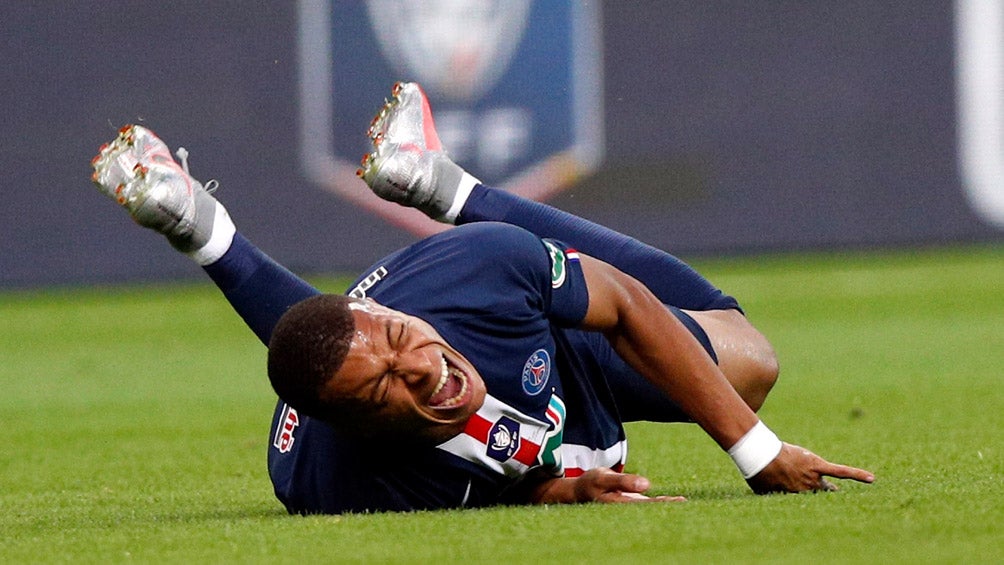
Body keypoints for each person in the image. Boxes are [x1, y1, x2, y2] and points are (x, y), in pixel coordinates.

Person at [90, 82, 874, 514]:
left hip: (541, 338)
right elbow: (488, 479)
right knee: (334, 358)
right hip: (363, 384)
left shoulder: (474, 279)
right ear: (360, 430)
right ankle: (199, 225)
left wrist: (757, 453)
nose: (423, 371)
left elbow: (629, 304)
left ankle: (445, 187)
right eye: (388, 389)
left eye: (402, 341)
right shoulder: (344, 486)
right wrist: (562, 490)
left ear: (395, 313)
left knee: (752, 362)